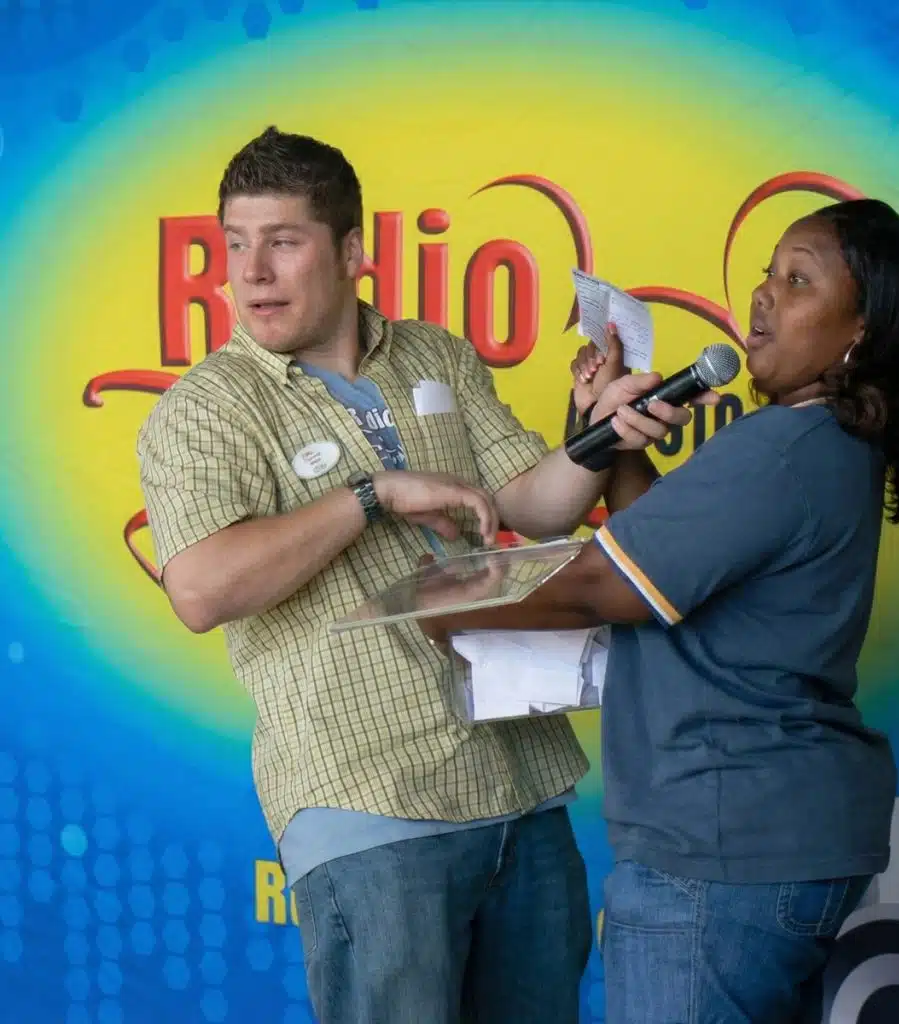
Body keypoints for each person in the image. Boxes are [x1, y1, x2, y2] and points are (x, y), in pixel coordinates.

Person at [136, 126, 694, 1024]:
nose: (252, 272)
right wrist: (373, 495)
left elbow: (536, 504)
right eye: (236, 245)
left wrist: (603, 433)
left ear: (351, 251)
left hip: (517, 787)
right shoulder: (205, 410)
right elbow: (201, 590)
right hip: (368, 804)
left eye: (283, 241)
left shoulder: (436, 354)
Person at [418, 198, 899, 1023]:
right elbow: (667, 557)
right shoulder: (825, 443)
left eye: (799, 281)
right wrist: (616, 440)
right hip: (784, 840)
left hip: (720, 852)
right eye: (768, 274)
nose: (764, 295)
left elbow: (605, 585)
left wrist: (445, 606)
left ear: (861, 329)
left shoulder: (781, 449)